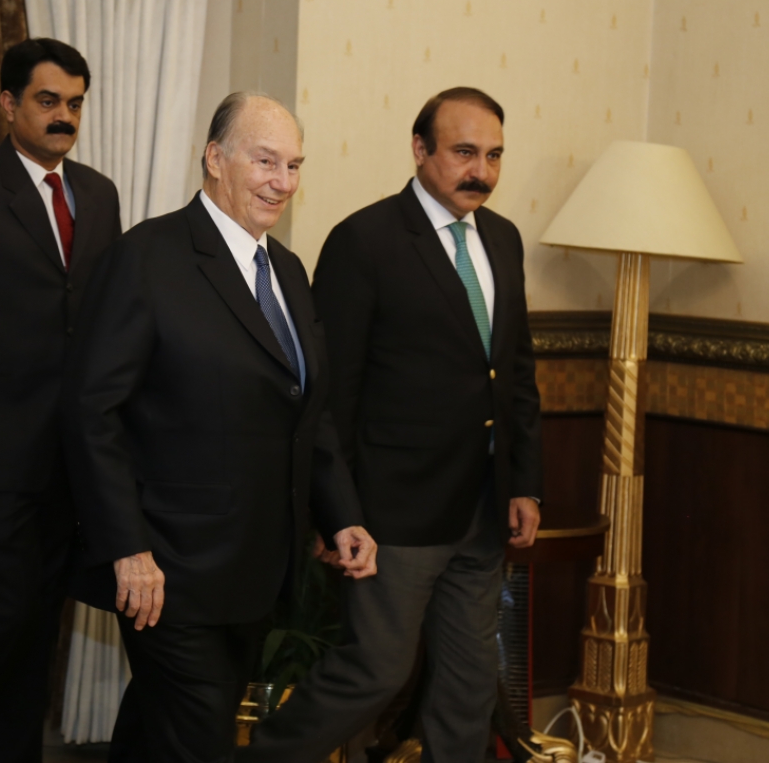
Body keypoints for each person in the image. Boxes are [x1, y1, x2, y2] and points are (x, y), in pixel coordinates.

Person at [64, 91, 378, 762]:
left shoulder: (288, 272)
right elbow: (93, 412)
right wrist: (127, 547)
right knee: (199, 739)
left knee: (158, 731)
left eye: (294, 165)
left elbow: (306, 412)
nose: (282, 182)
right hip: (168, 567)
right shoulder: (147, 258)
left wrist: (341, 514)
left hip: (258, 571)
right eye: (265, 160)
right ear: (214, 159)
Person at [239, 87, 544, 763]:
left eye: (494, 155)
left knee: (467, 685)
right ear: (420, 150)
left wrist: (525, 482)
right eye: (465, 152)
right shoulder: (365, 241)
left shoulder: (503, 239)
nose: (482, 172)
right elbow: (331, 394)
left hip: (483, 508)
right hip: (393, 514)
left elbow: (515, 371)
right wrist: (335, 511)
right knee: (374, 672)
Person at [0, 38, 121, 763]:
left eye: (75, 103)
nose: (64, 116)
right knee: (3, 611)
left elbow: (103, 316)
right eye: (48, 101)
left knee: (39, 625)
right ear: (8, 103)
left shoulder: (101, 194)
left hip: (73, 457)